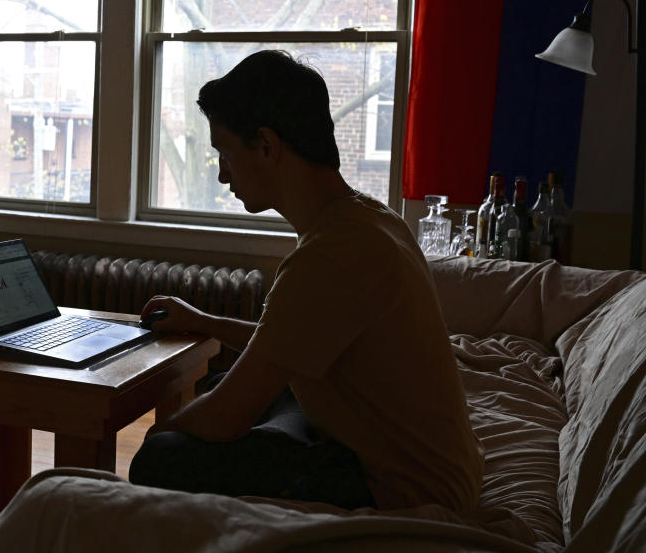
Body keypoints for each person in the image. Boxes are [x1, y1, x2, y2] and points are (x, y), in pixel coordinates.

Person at [128, 50, 483, 511]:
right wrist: (207, 322)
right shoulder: (369, 219)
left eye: (226, 154)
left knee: (161, 458)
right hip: (428, 464)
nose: (221, 174)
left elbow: (224, 418)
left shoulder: (330, 257)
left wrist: (159, 433)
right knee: (235, 388)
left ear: (267, 146)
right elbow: (291, 345)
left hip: (407, 490)